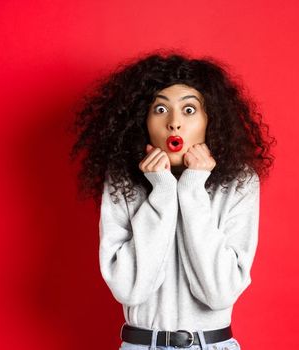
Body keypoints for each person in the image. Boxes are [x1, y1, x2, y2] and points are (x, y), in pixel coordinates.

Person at [70, 50, 275, 349]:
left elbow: (219, 292)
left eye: (189, 110)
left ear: (210, 120)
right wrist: (162, 191)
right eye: (161, 110)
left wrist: (192, 189)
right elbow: (129, 289)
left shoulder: (238, 182)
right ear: (142, 120)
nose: (174, 124)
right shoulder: (123, 181)